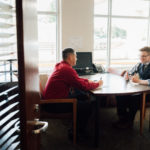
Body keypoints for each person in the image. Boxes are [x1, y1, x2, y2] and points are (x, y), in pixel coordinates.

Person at [42, 48, 103, 139]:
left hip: (54, 99)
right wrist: (98, 84)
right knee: (87, 106)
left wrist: (87, 80)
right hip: (54, 104)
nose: (77, 58)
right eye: (76, 56)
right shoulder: (67, 69)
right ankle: (77, 132)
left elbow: (76, 79)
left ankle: (77, 124)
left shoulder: (61, 65)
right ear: (70, 57)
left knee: (82, 95)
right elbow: (83, 86)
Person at [114, 46, 150, 129]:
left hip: (148, 93)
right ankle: (123, 119)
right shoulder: (139, 64)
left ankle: (129, 122)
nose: (141, 58)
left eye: (143, 56)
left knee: (134, 99)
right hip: (141, 90)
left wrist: (139, 81)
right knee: (120, 95)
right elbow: (130, 72)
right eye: (140, 56)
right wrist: (127, 76)